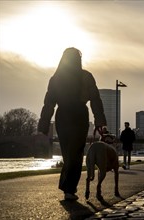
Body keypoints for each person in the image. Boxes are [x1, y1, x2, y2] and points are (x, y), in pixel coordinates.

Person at [37, 47, 107, 201]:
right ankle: (69, 188)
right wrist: (100, 121)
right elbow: (95, 99)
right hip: (79, 115)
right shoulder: (86, 77)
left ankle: (67, 187)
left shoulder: (56, 79)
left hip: (62, 116)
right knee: (75, 153)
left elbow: (48, 103)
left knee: (68, 153)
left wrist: (43, 126)